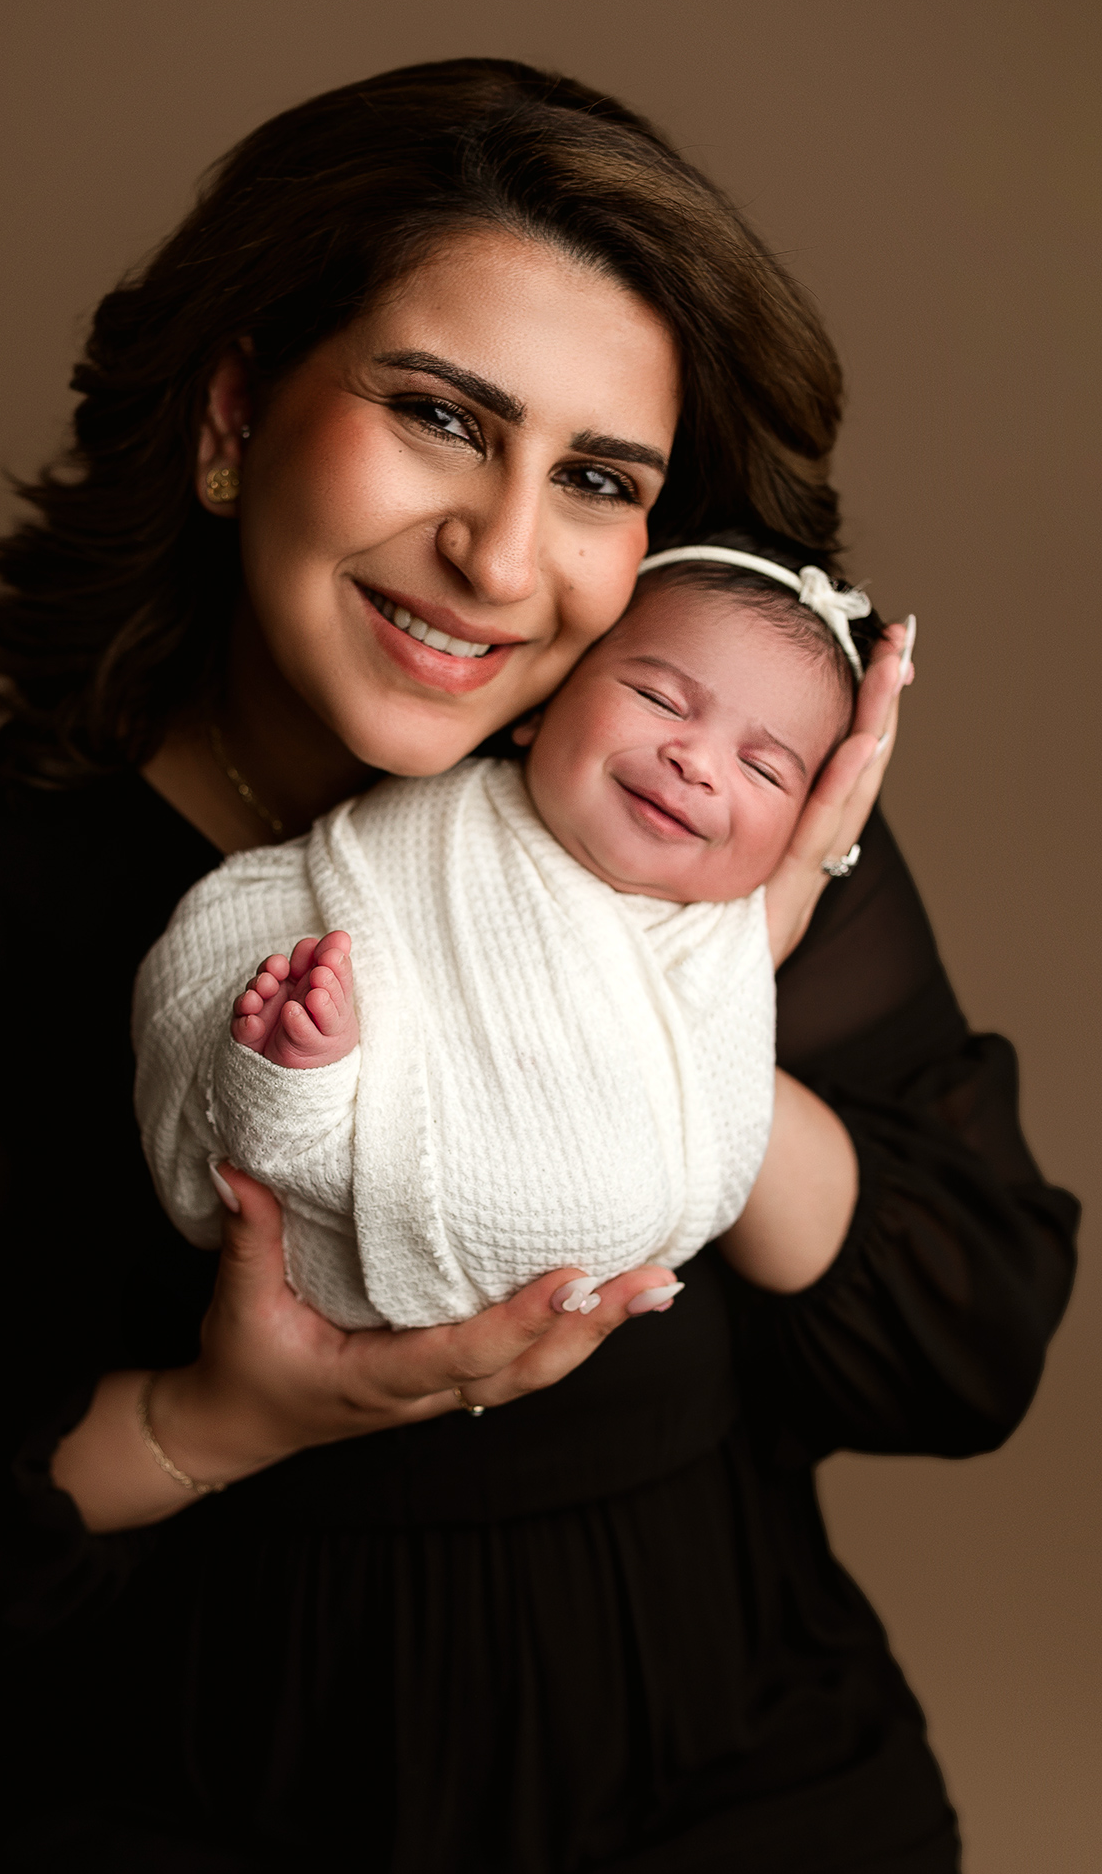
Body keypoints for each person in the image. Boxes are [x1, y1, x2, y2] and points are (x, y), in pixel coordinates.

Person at [0, 60, 1077, 1874]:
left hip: (736, 1780)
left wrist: (714, 985)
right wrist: (215, 1419)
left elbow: (964, 1352)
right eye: (436, 415)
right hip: (175, 1805)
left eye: (594, 477)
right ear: (233, 411)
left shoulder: (699, 799)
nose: (500, 555)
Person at [137, 546, 893, 1334]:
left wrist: (786, 894)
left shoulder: (728, 940)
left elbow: (706, 1113)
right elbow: (263, 907)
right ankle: (288, 1080)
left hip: (551, 1273)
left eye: (763, 770)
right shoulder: (443, 829)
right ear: (538, 706)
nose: (696, 761)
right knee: (276, 962)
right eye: (658, 699)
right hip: (312, 1206)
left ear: (797, 832)